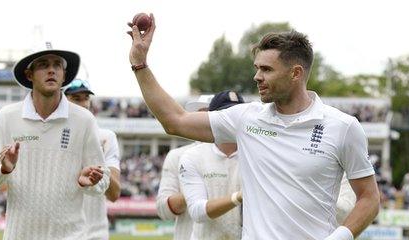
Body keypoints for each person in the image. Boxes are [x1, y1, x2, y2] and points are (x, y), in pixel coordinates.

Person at [127, 15, 379, 240]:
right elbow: (175, 121)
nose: (257, 76)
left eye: (266, 69)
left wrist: (340, 237)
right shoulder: (246, 118)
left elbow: (369, 198)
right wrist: (140, 64)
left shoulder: (344, 127)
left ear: (296, 73)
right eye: (257, 68)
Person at [0, 47, 109, 239]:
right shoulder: (7, 117)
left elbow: (103, 180)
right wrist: (4, 170)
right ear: (29, 74)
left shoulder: (84, 120)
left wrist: (88, 183)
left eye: (57, 65)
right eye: (43, 65)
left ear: (64, 76)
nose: (51, 70)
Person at [179, 90, 245, 239]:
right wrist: (238, 197)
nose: (231, 121)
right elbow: (197, 212)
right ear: (212, 119)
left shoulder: (256, 155)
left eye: (236, 115)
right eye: (225, 115)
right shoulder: (193, 156)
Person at [64, 79, 122, 240]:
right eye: (76, 99)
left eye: (86, 98)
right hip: (61, 233)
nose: (84, 104)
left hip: (95, 235)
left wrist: (98, 157)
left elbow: (114, 194)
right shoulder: (53, 137)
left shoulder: (106, 137)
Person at [156, 94, 213, 240]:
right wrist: (195, 189)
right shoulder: (178, 156)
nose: (206, 119)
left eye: (211, 113)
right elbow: (164, 210)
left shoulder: (240, 154)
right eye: (201, 113)